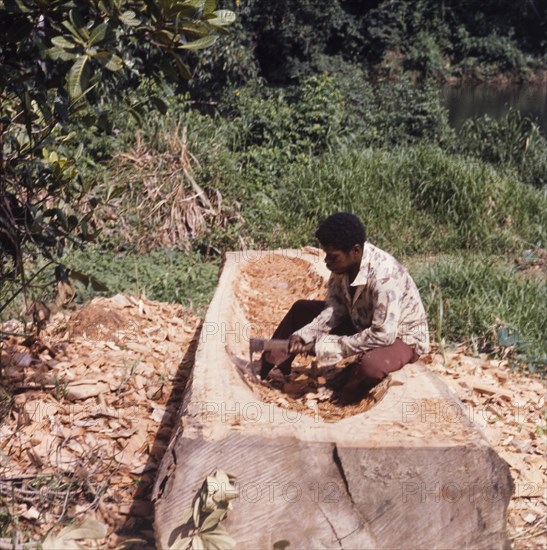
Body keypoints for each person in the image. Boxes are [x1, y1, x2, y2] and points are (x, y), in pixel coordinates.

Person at [260, 212, 430, 405]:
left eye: (332, 257)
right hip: (362, 320)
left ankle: (343, 400)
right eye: (325, 255)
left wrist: (330, 346)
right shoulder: (342, 267)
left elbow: (383, 335)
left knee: (371, 367)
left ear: (355, 251)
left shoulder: (384, 277)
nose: (327, 262)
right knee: (301, 310)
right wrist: (304, 335)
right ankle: (267, 368)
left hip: (401, 335)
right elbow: (336, 309)